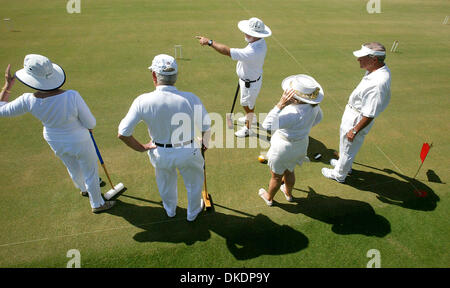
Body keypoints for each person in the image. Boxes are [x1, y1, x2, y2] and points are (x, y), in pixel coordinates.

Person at [0, 54, 114, 213]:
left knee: (72, 167)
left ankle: (84, 188)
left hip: (54, 139)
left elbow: (1, 109)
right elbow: (90, 123)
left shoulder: (27, 99)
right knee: (90, 171)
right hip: (80, 139)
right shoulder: (72, 95)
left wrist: (8, 86)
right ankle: (97, 203)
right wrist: (87, 126)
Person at [118, 54, 211, 222]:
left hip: (159, 152)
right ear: (175, 76)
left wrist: (142, 148)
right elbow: (206, 126)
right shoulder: (191, 98)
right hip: (188, 150)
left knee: (166, 184)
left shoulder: (142, 100)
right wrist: (204, 143)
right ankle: (193, 213)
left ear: (154, 75)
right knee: (194, 184)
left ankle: (170, 211)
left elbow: (123, 133)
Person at [322, 42, 391, 183]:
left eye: (362, 57)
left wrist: (355, 130)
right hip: (353, 112)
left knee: (348, 147)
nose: (358, 60)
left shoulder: (378, 83)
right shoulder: (375, 69)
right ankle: (344, 165)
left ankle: (339, 174)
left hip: (357, 119)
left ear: (374, 60)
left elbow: (370, 113)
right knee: (345, 145)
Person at [196, 17, 271, 137]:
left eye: (250, 33)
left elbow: (227, 51)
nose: (245, 33)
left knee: (246, 104)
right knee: (248, 104)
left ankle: (248, 128)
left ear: (257, 35)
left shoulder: (253, 51)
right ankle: (251, 116)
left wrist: (210, 42)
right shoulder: (259, 42)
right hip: (248, 79)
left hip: (250, 83)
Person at [258, 75, 324, 206]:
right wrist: (303, 128)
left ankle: (269, 198)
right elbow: (318, 119)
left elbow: (267, 125)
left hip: (283, 148)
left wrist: (280, 104)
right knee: (290, 170)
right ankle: (288, 194)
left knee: (276, 176)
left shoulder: (292, 113)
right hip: (301, 144)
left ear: (297, 98)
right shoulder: (315, 107)